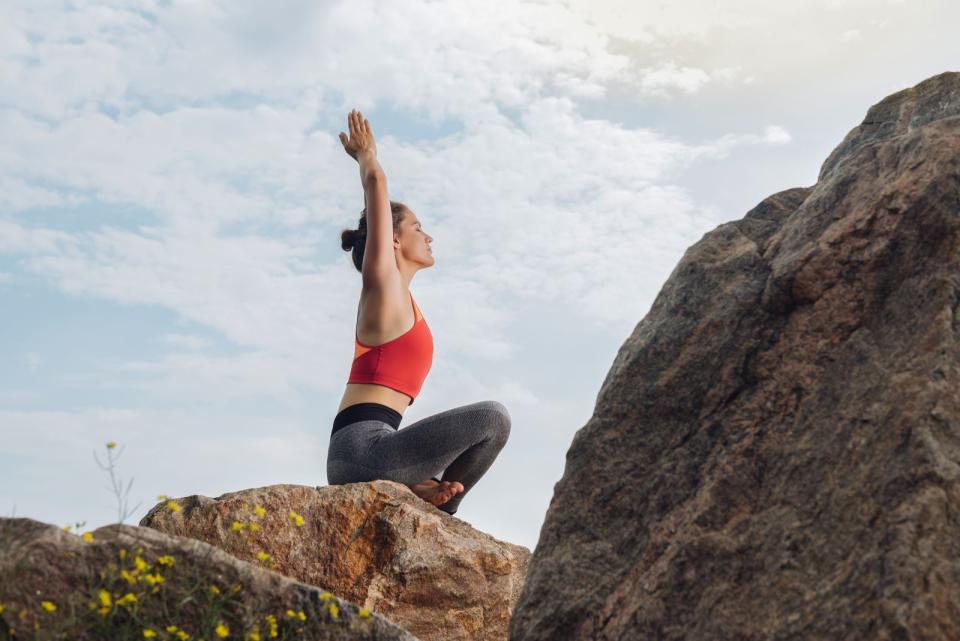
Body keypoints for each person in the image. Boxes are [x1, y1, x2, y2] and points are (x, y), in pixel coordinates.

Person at [326, 108, 511, 516]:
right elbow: (376, 183)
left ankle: (427, 500)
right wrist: (367, 159)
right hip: (362, 450)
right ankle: (439, 520)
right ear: (391, 240)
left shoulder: (407, 303)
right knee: (494, 418)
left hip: (378, 448)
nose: (428, 236)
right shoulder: (382, 287)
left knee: (491, 425)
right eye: (417, 228)